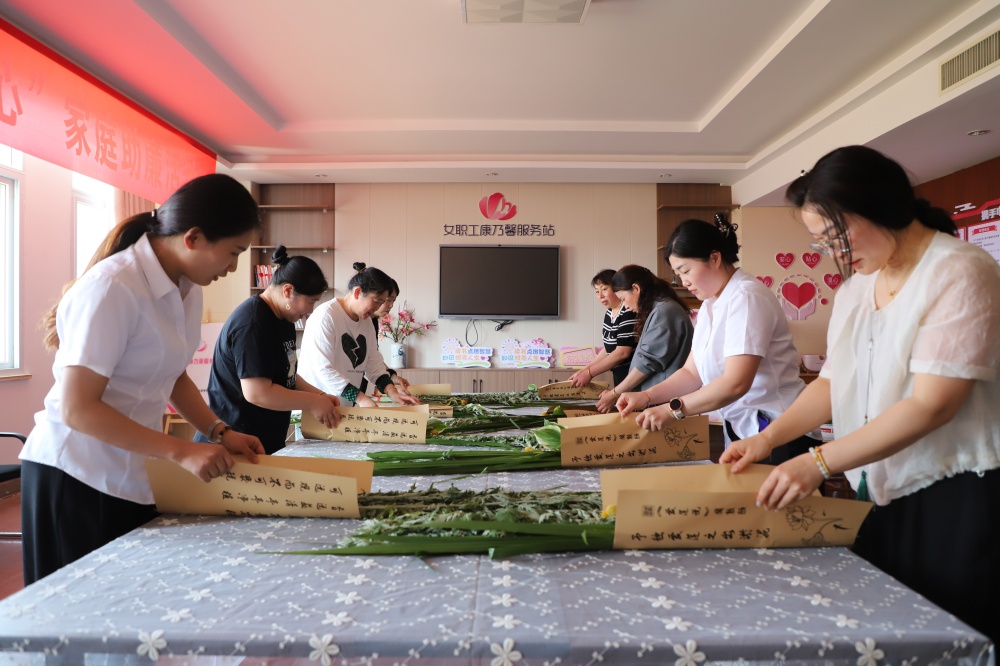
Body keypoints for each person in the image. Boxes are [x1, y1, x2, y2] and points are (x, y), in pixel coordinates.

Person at [721, 145, 1000, 644]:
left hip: (953, 487)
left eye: (837, 236)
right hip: (878, 484)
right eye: (823, 242)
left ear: (880, 206)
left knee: (948, 635)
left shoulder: (959, 270)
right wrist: (767, 439)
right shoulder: (855, 289)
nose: (837, 254)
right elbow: (833, 383)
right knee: (886, 629)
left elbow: (932, 404)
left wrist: (818, 462)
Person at [20, 174, 266, 585]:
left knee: (126, 602)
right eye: (233, 253)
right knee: (75, 611)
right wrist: (181, 451)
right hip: (76, 472)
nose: (232, 267)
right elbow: (78, 408)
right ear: (193, 238)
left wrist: (219, 432)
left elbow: (172, 372)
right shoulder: (113, 287)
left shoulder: (187, 287)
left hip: (133, 471)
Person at [617, 216, 813, 464]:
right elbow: (691, 373)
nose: (684, 281)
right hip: (745, 428)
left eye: (686, 270)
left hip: (779, 430)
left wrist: (672, 409)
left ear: (715, 258)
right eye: (678, 274)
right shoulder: (711, 305)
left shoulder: (746, 297)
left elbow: (735, 383)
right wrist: (646, 397)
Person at [205, 246, 340, 455]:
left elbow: (287, 376)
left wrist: (320, 395)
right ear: (288, 291)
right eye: (310, 301)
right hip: (235, 444)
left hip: (265, 440)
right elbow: (258, 393)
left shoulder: (284, 319)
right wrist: (313, 402)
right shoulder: (253, 323)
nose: (310, 311)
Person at [298, 262, 421, 408]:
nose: (377, 307)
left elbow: (373, 364)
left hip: (343, 407)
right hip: (315, 407)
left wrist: (392, 392)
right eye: (376, 301)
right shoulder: (326, 316)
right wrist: (360, 398)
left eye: (382, 302)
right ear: (357, 292)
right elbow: (323, 369)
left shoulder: (366, 322)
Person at [594, 265, 692, 412]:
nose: (625, 306)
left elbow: (647, 363)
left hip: (663, 401)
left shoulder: (663, 311)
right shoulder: (659, 309)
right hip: (657, 398)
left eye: (623, 299)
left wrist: (615, 393)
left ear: (636, 288)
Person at [568, 269, 637, 389]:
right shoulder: (609, 313)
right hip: (619, 373)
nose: (600, 296)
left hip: (632, 375)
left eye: (604, 289)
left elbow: (622, 353)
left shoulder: (628, 311)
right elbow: (609, 348)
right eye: (597, 291)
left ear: (616, 287)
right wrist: (584, 370)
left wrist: (590, 373)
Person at [359, 278, 410, 396]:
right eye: (388, 299)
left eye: (393, 300)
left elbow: (372, 358)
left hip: (357, 389)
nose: (391, 305)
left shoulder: (372, 321)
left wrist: (392, 377)